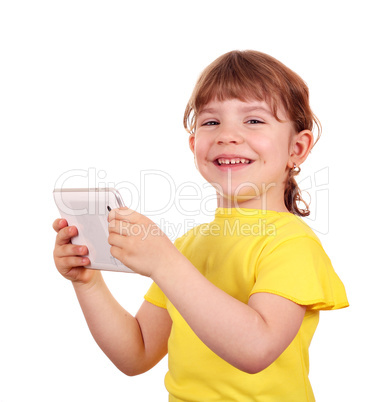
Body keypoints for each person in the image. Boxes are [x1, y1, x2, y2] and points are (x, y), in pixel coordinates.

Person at [53, 50, 349, 401]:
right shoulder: (189, 245)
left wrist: (164, 262)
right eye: (211, 122)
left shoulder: (292, 244)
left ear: (297, 149)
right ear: (195, 145)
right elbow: (137, 352)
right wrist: (88, 283)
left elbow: (256, 349)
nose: (227, 135)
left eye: (253, 121)